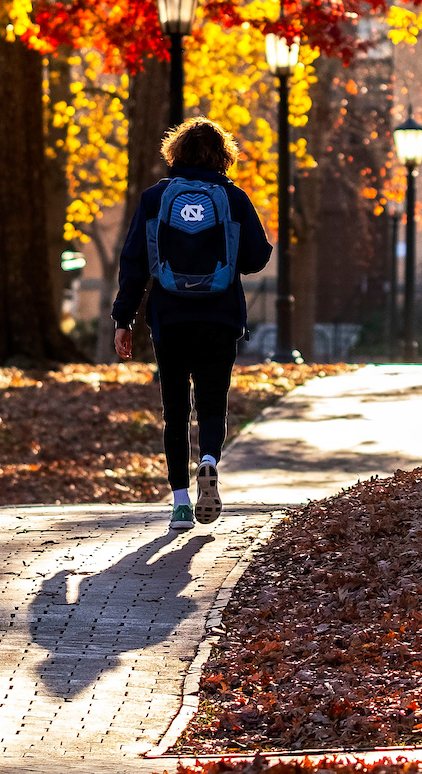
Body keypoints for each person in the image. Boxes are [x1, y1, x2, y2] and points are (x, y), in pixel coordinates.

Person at [114, 116, 274, 532]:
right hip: (219, 317)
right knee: (211, 402)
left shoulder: (155, 198)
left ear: (176, 152)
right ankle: (208, 460)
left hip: (170, 317)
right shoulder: (233, 199)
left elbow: (134, 261)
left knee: (175, 409)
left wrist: (123, 318)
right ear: (223, 156)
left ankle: (181, 504)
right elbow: (256, 258)